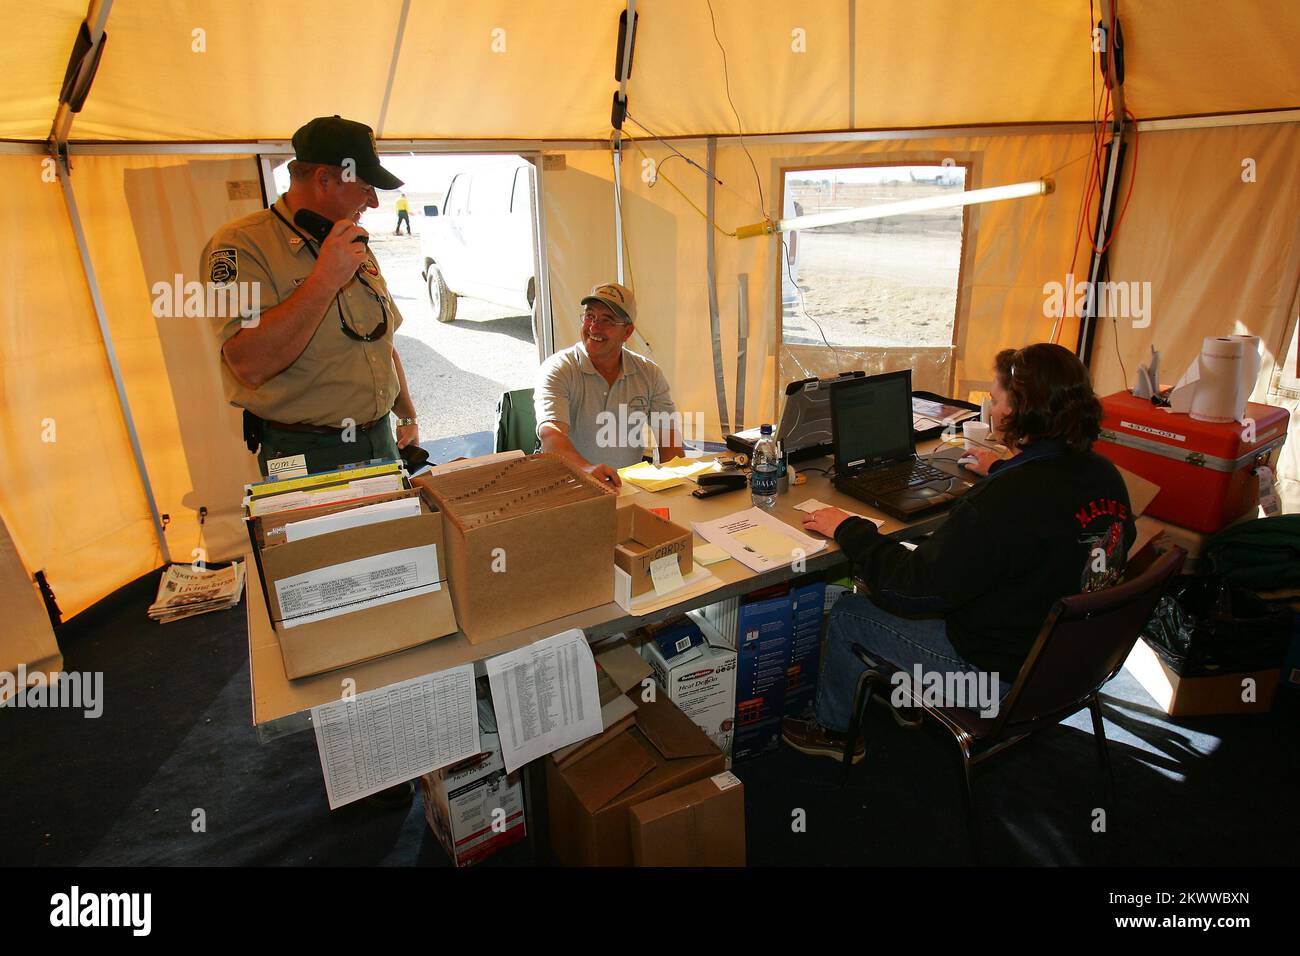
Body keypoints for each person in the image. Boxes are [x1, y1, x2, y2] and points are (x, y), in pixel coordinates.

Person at [782, 343, 1136, 762]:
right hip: (1070, 668)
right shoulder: (1103, 473)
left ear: (1018, 410)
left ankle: (834, 732)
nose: (990, 404)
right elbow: (1053, 517)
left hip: (995, 684)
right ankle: (902, 698)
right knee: (944, 572)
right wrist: (1003, 468)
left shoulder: (1006, 501)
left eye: (997, 397)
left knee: (849, 611)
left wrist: (849, 529)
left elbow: (911, 590)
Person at [201, 115, 421, 477]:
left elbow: (381, 341)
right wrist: (324, 281)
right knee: (329, 537)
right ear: (324, 179)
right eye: (365, 186)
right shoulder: (241, 244)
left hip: (379, 440)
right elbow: (249, 364)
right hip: (306, 452)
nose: (374, 202)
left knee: (395, 535)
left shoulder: (351, 242)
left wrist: (407, 414)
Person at [534, 282, 684, 487]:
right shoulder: (558, 369)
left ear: (628, 332)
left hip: (625, 489)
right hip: (569, 488)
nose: (594, 327)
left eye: (607, 320)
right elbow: (550, 434)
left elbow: (669, 440)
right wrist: (587, 470)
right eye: (590, 316)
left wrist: (677, 484)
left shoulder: (649, 374)